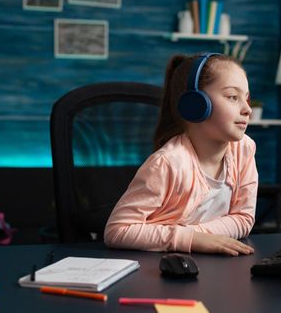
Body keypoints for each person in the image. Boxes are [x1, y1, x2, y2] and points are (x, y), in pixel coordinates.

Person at [104, 53, 258, 256]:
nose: (247, 109)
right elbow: (116, 231)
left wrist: (200, 238)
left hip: (206, 264)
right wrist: (192, 240)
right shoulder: (168, 163)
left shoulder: (243, 149)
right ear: (196, 104)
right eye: (232, 97)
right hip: (157, 266)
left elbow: (244, 218)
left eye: (246, 98)